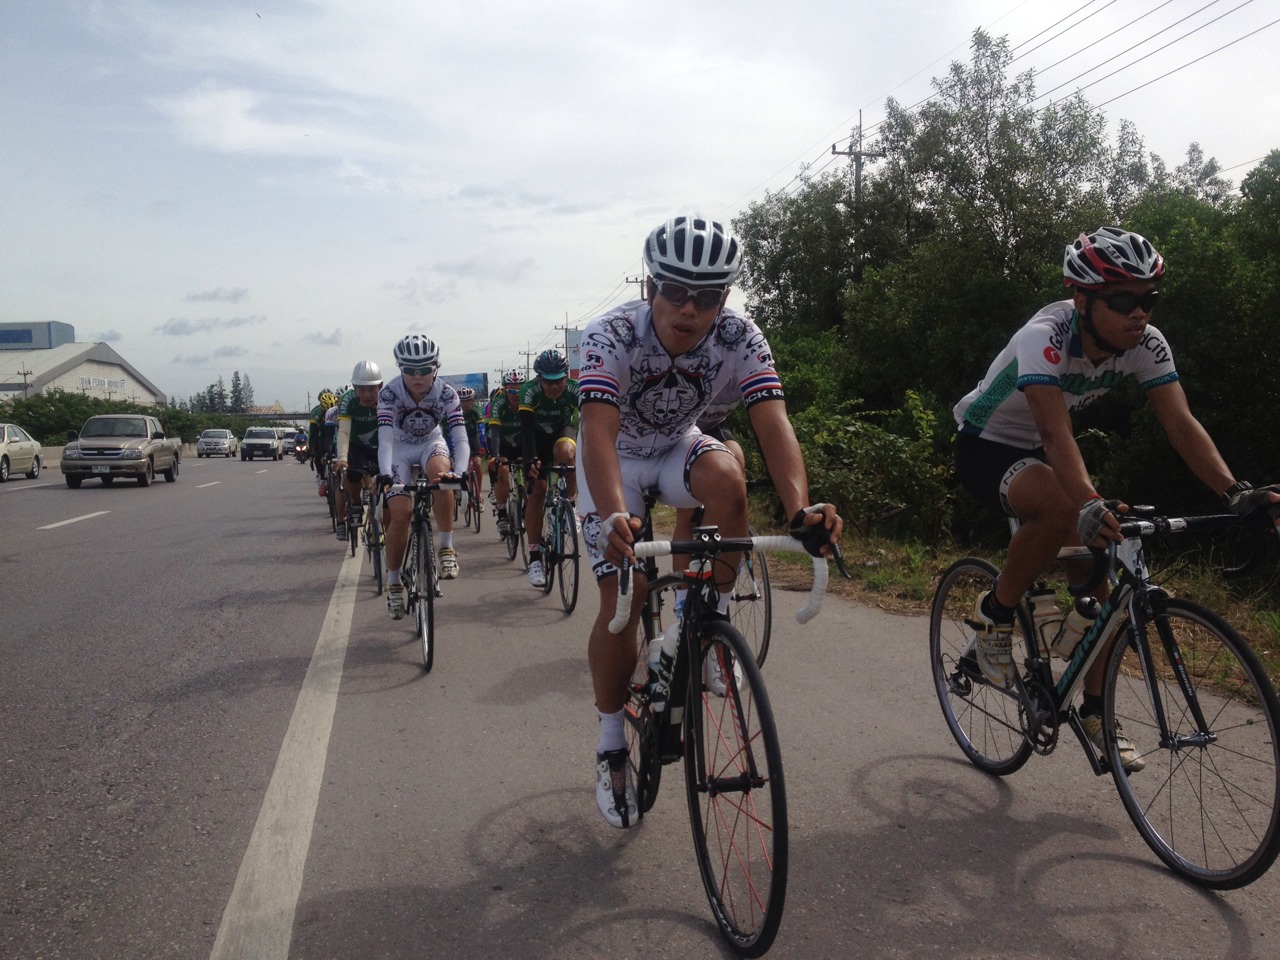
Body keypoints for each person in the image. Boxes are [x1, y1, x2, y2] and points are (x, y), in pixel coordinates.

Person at [953, 226, 1280, 772]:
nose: (1140, 313)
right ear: (1083, 300)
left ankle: (1096, 712)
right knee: (1065, 508)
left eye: (1149, 299)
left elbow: (1180, 424)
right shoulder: (1045, 335)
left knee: (1100, 579)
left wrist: (1235, 492)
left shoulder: (1146, 344)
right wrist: (1086, 501)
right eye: (1124, 300)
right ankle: (995, 615)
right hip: (987, 444)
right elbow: (1055, 432)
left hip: (1046, 453)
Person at [577, 213, 842, 828]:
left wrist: (800, 509)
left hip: (675, 447)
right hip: (614, 461)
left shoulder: (740, 336)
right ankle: (611, 743)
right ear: (651, 287)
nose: (689, 309)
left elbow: (773, 422)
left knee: (728, 477)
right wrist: (615, 513)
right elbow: (597, 430)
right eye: (675, 291)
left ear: (724, 297)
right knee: (625, 592)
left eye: (708, 296)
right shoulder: (610, 334)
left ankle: (706, 627)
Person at [376, 335, 470, 619]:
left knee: (442, 476)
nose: (417, 377)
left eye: (424, 369)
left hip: (431, 443)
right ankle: (394, 583)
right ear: (400, 368)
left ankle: (446, 548)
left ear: (435, 368)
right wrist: (385, 474)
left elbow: (460, 439)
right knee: (401, 513)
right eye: (409, 370)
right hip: (399, 448)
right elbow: (385, 441)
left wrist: (459, 473)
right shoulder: (389, 394)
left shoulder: (447, 394)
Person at [521, 349, 580, 588]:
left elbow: (591, 422)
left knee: (567, 455)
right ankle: (535, 558)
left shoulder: (576, 389)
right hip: (536, 437)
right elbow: (526, 430)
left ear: (566, 376)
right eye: (548, 381)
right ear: (539, 379)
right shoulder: (529, 391)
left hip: (562, 430)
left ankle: (570, 505)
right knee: (536, 491)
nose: (555, 386)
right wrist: (530, 460)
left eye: (559, 380)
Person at [333, 361, 384, 542]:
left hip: (381, 446)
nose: (367, 395)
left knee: (385, 484)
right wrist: (342, 458)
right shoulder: (348, 400)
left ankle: (377, 522)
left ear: (380, 386)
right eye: (361, 389)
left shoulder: (387, 399)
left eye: (372, 389)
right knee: (352, 476)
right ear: (354, 388)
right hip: (356, 446)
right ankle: (355, 502)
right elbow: (344, 431)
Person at [484, 370, 525, 539]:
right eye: (511, 390)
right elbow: (494, 432)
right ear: (505, 390)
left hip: (522, 442)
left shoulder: (529, 401)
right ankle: (502, 515)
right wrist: (495, 456)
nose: (516, 394)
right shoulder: (498, 404)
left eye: (520, 389)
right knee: (503, 470)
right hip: (503, 444)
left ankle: (526, 506)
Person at [456, 386, 485, 504]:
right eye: (462, 401)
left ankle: (478, 494)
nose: (465, 404)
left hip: (473, 436)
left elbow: (481, 429)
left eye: (468, 400)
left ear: (472, 401)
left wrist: (483, 446)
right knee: (453, 463)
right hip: (458, 436)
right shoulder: (455, 410)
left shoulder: (476, 410)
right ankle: (456, 488)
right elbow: (447, 431)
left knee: (477, 463)